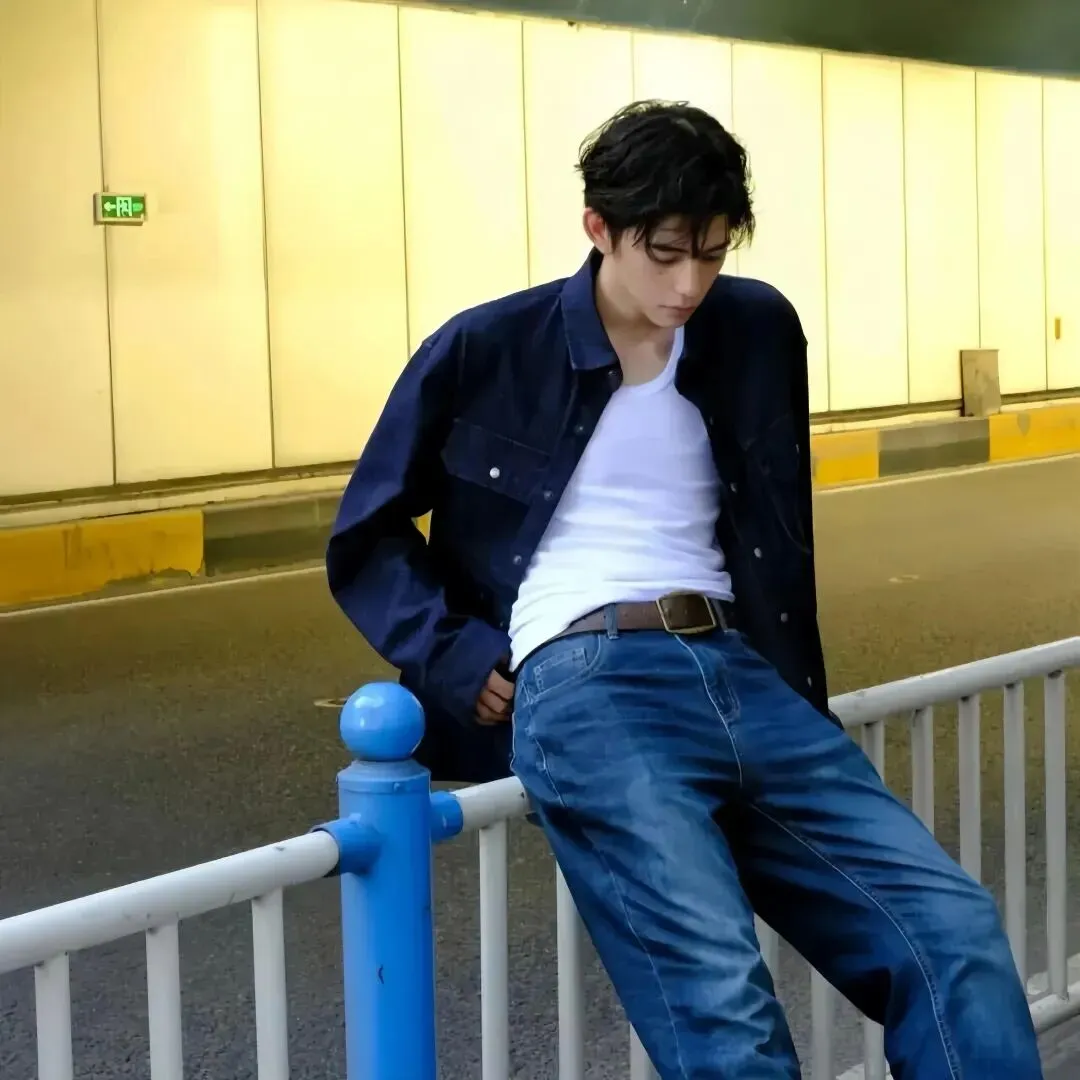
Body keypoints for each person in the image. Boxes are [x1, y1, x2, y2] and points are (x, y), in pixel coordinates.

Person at [327, 101, 1042, 1078]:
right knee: (725, 1012)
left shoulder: (754, 329)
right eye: (664, 253)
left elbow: (774, 532)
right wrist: (454, 655)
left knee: (952, 932)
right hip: (587, 679)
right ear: (598, 227)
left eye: (711, 253)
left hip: (744, 677)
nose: (689, 283)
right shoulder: (488, 346)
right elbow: (364, 532)